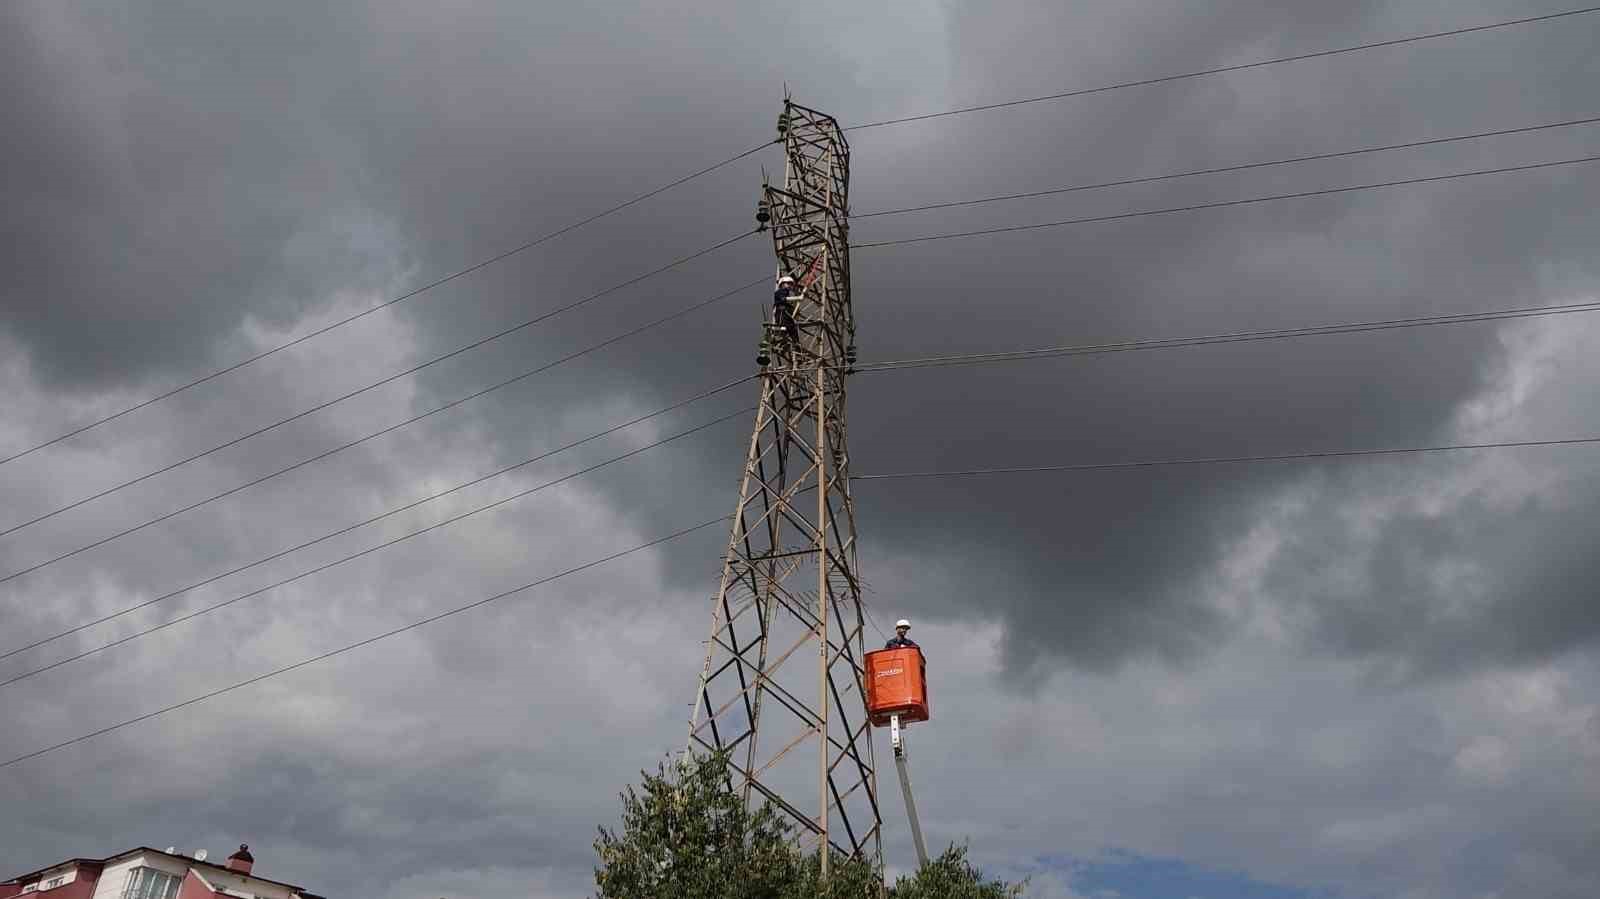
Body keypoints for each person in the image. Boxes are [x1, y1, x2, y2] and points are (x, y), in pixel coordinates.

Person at [773, 274, 800, 343]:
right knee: (785, 326)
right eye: (788, 283)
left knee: (793, 330)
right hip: (782, 313)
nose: (790, 285)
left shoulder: (787, 293)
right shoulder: (780, 291)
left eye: (791, 284)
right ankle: (783, 334)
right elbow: (783, 299)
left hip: (787, 316)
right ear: (782, 284)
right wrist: (798, 298)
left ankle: (796, 345)